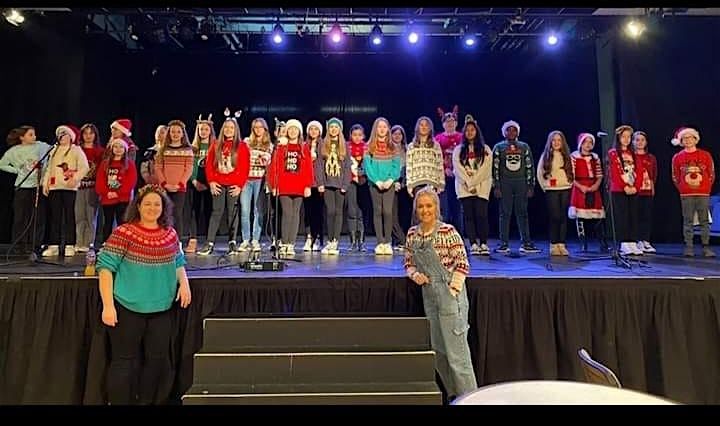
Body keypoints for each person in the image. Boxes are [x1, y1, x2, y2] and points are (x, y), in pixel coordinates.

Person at [97, 184, 191, 405]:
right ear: (138, 206)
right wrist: (108, 306)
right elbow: (105, 269)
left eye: (157, 204)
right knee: (124, 362)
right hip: (127, 307)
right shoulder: (124, 232)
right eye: (147, 203)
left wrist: (184, 284)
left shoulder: (170, 234)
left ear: (164, 208)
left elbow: (178, 262)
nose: (152, 208)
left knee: (156, 362)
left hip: (161, 309)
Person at [404, 186, 477, 401]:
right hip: (429, 297)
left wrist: (452, 291)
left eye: (429, 206)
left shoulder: (447, 232)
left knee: (458, 357)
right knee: (440, 353)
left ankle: (470, 399)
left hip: (449, 295)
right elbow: (408, 262)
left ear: (436, 207)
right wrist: (415, 274)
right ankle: (454, 395)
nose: (425, 210)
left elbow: (462, 264)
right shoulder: (412, 234)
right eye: (421, 207)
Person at [0, 125, 51, 254]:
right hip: (22, 187)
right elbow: (2, 164)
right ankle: (18, 245)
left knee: (37, 217)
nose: (34, 137)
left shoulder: (40, 146)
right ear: (22, 137)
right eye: (30, 134)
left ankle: (35, 244)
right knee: (20, 217)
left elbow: (53, 151)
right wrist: (16, 170)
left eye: (34, 134)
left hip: (37, 186)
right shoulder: (14, 151)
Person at [491, 120, 540, 254]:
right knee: (504, 213)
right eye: (508, 130)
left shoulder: (524, 147)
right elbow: (495, 167)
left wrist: (531, 185)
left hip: (521, 182)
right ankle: (503, 243)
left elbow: (530, 166)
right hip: (505, 183)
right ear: (504, 132)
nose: (511, 132)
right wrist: (496, 186)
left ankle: (526, 242)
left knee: (522, 213)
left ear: (518, 132)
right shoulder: (499, 147)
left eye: (514, 130)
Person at [42, 125, 89, 257]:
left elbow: (85, 167)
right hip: (55, 187)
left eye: (65, 134)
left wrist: (76, 178)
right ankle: (54, 245)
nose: (62, 137)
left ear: (70, 137)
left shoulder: (76, 150)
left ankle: (70, 244)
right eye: (60, 134)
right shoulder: (54, 150)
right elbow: (48, 168)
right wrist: (45, 184)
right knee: (55, 217)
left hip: (69, 188)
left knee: (69, 216)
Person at [671, 127, 716, 257]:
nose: (688, 140)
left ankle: (706, 247)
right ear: (681, 141)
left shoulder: (705, 155)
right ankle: (689, 247)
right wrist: (682, 188)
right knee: (688, 220)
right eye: (684, 138)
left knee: (704, 221)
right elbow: (675, 176)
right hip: (686, 194)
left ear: (695, 139)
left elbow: (711, 173)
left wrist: (706, 187)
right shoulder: (677, 157)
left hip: (703, 193)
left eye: (690, 137)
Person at [452, 115, 492, 256]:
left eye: (472, 130)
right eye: (467, 130)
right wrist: (468, 184)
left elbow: (485, 170)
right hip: (464, 188)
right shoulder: (458, 150)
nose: (470, 132)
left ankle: (483, 243)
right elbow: (457, 169)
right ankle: (473, 243)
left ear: (477, 131)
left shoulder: (485, 149)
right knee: (468, 216)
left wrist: (473, 182)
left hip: (481, 187)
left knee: (481, 215)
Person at [364, 117, 402, 256]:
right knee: (377, 211)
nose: (382, 129)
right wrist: (377, 181)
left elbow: (396, 166)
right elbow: (368, 167)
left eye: (384, 127)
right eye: (379, 127)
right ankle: (380, 242)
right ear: (375, 129)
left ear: (388, 129)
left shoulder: (394, 147)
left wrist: (391, 179)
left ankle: (388, 241)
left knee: (388, 212)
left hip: (389, 183)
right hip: (375, 184)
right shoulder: (369, 146)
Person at [607, 125, 644, 256]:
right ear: (618, 138)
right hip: (619, 190)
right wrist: (625, 187)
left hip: (633, 189)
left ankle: (632, 242)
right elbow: (615, 173)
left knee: (633, 216)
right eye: (624, 137)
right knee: (622, 216)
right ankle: (624, 243)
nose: (627, 139)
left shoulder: (634, 154)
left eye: (629, 137)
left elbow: (640, 172)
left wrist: (636, 187)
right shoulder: (613, 153)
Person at [568, 133, 608, 252]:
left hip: (593, 186)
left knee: (598, 217)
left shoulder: (595, 158)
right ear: (581, 144)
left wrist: (595, 186)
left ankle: (603, 243)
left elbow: (600, 175)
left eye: (590, 142)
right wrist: (581, 187)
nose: (588, 145)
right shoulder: (574, 157)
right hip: (580, 187)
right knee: (580, 217)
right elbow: (571, 176)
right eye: (586, 142)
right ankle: (583, 244)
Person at [536, 130, 573, 256]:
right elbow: (540, 173)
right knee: (555, 217)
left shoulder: (567, 156)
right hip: (552, 190)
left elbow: (573, 172)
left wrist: (570, 184)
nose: (556, 143)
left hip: (565, 188)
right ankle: (553, 244)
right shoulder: (546, 156)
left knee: (563, 217)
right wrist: (545, 187)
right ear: (550, 142)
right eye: (554, 140)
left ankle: (561, 244)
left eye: (559, 140)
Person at [96, 138, 138, 243]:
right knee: (108, 222)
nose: (118, 149)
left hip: (122, 199)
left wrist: (118, 193)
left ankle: (122, 242)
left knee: (122, 222)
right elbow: (100, 181)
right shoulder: (105, 164)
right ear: (111, 148)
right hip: (107, 199)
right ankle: (106, 243)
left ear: (125, 149)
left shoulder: (129, 164)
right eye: (115, 147)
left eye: (121, 147)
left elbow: (131, 182)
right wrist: (106, 193)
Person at [633, 131, 657, 254]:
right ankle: (637, 241)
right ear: (633, 142)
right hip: (634, 191)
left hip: (647, 190)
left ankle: (646, 241)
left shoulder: (651, 158)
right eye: (637, 140)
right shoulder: (630, 156)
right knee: (635, 216)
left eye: (642, 140)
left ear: (646, 142)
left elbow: (653, 175)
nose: (640, 142)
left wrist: (652, 188)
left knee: (646, 217)